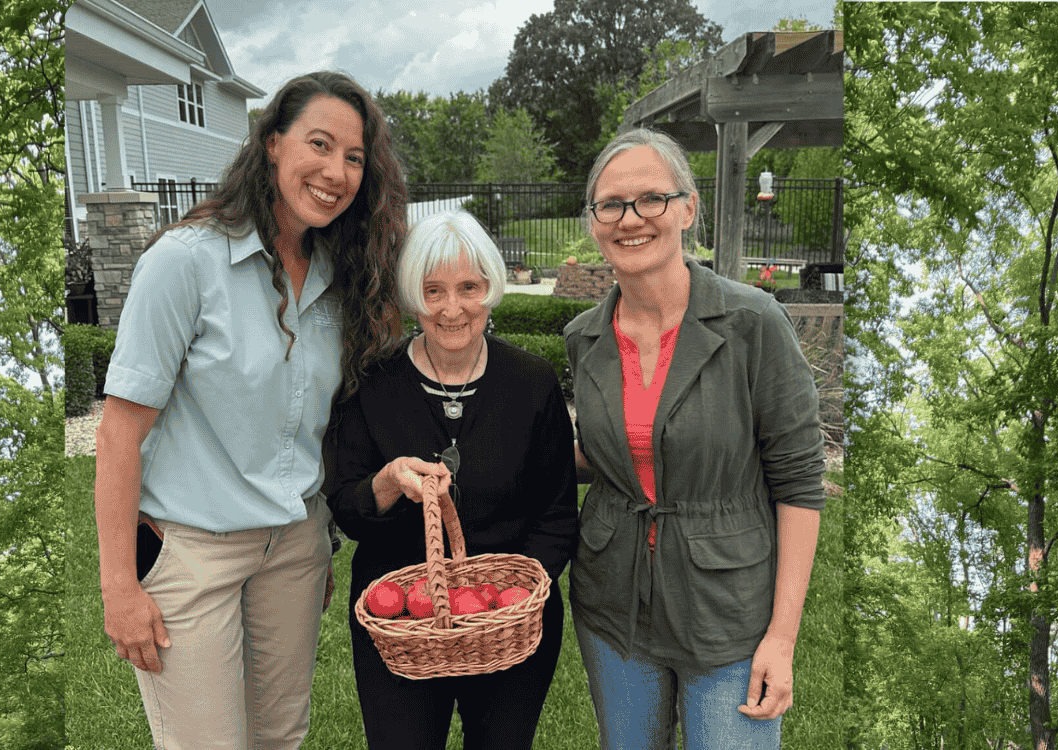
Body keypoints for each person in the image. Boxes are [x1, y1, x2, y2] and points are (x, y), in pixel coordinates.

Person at [93, 71, 407, 749]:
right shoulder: (185, 263)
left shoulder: (336, 274)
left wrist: (320, 542)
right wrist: (119, 586)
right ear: (271, 143)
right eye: (319, 145)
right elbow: (119, 433)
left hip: (293, 550)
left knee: (279, 739)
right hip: (192, 552)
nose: (336, 171)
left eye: (354, 157)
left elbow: (314, 426)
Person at [563, 129, 826, 749]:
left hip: (728, 610)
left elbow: (799, 482)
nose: (631, 219)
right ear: (594, 223)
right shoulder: (585, 337)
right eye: (612, 205)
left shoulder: (752, 323)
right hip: (613, 604)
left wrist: (782, 638)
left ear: (687, 209)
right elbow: (612, 454)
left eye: (652, 198)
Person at [324, 210, 579, 750]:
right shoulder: (371, 384)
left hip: (507, 622)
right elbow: (345, 507)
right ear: (412, 297)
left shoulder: (532, 384)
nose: (452, 308)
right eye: (433, 290)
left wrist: (512, 599)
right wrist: (388, 481)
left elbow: (556, 516)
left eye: (469, 287)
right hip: (402, 622)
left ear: (491, 287)